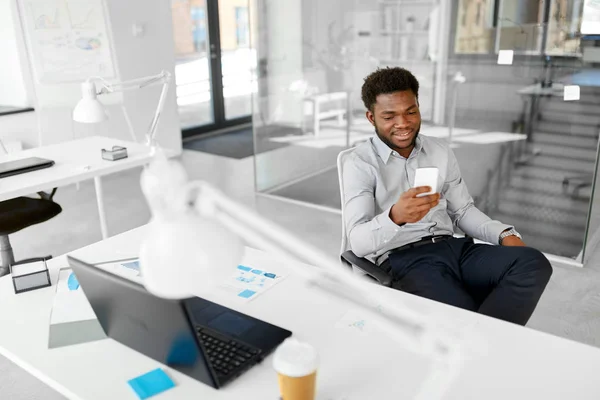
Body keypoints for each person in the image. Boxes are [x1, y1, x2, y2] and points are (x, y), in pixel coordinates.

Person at [342, 67, 552, 326]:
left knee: (533, 263)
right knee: (461, 316)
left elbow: (462, 211)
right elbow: (357, 243)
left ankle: (481, 342)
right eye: (389, 116)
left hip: (452, 247)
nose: (404, 123)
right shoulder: (360, 163)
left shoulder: (439, 150)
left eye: (411, 111)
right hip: (404, 259)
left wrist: (504, 234)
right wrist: (395, 217)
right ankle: (484, 344)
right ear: (371, 118)